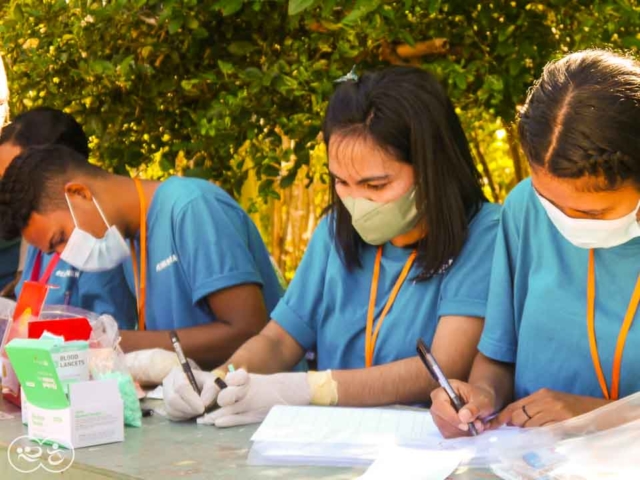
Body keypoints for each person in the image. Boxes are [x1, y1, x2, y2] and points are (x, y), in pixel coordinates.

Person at [161, 66, 501, 426]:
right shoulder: (336, 230)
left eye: (376, 185)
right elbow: (278, 341)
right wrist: (220, 378)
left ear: (432, 168)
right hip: (328, 442)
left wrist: (309, 389)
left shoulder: (485, 233)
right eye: (341, 182)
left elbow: (441, 365)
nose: (356, 201)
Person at [430, 49, 640, 438]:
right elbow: (498, 359)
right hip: (528, 459)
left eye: (591, 213)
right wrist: (479, 398)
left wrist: (598, 416)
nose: (564, 222)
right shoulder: (525, 209)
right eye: (551, 203)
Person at [0, 143, 283, 370]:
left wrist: (109, 341)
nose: (67, 255)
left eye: (60, 239)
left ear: (79, 193)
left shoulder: (190, 208)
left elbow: (249, 331)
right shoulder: (129, 245)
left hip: (261, 411)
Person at [0, 107, 137, 329]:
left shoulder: (96, 242)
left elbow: (113, 336)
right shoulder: (39, 238)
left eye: (14, 175)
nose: (7, 191)